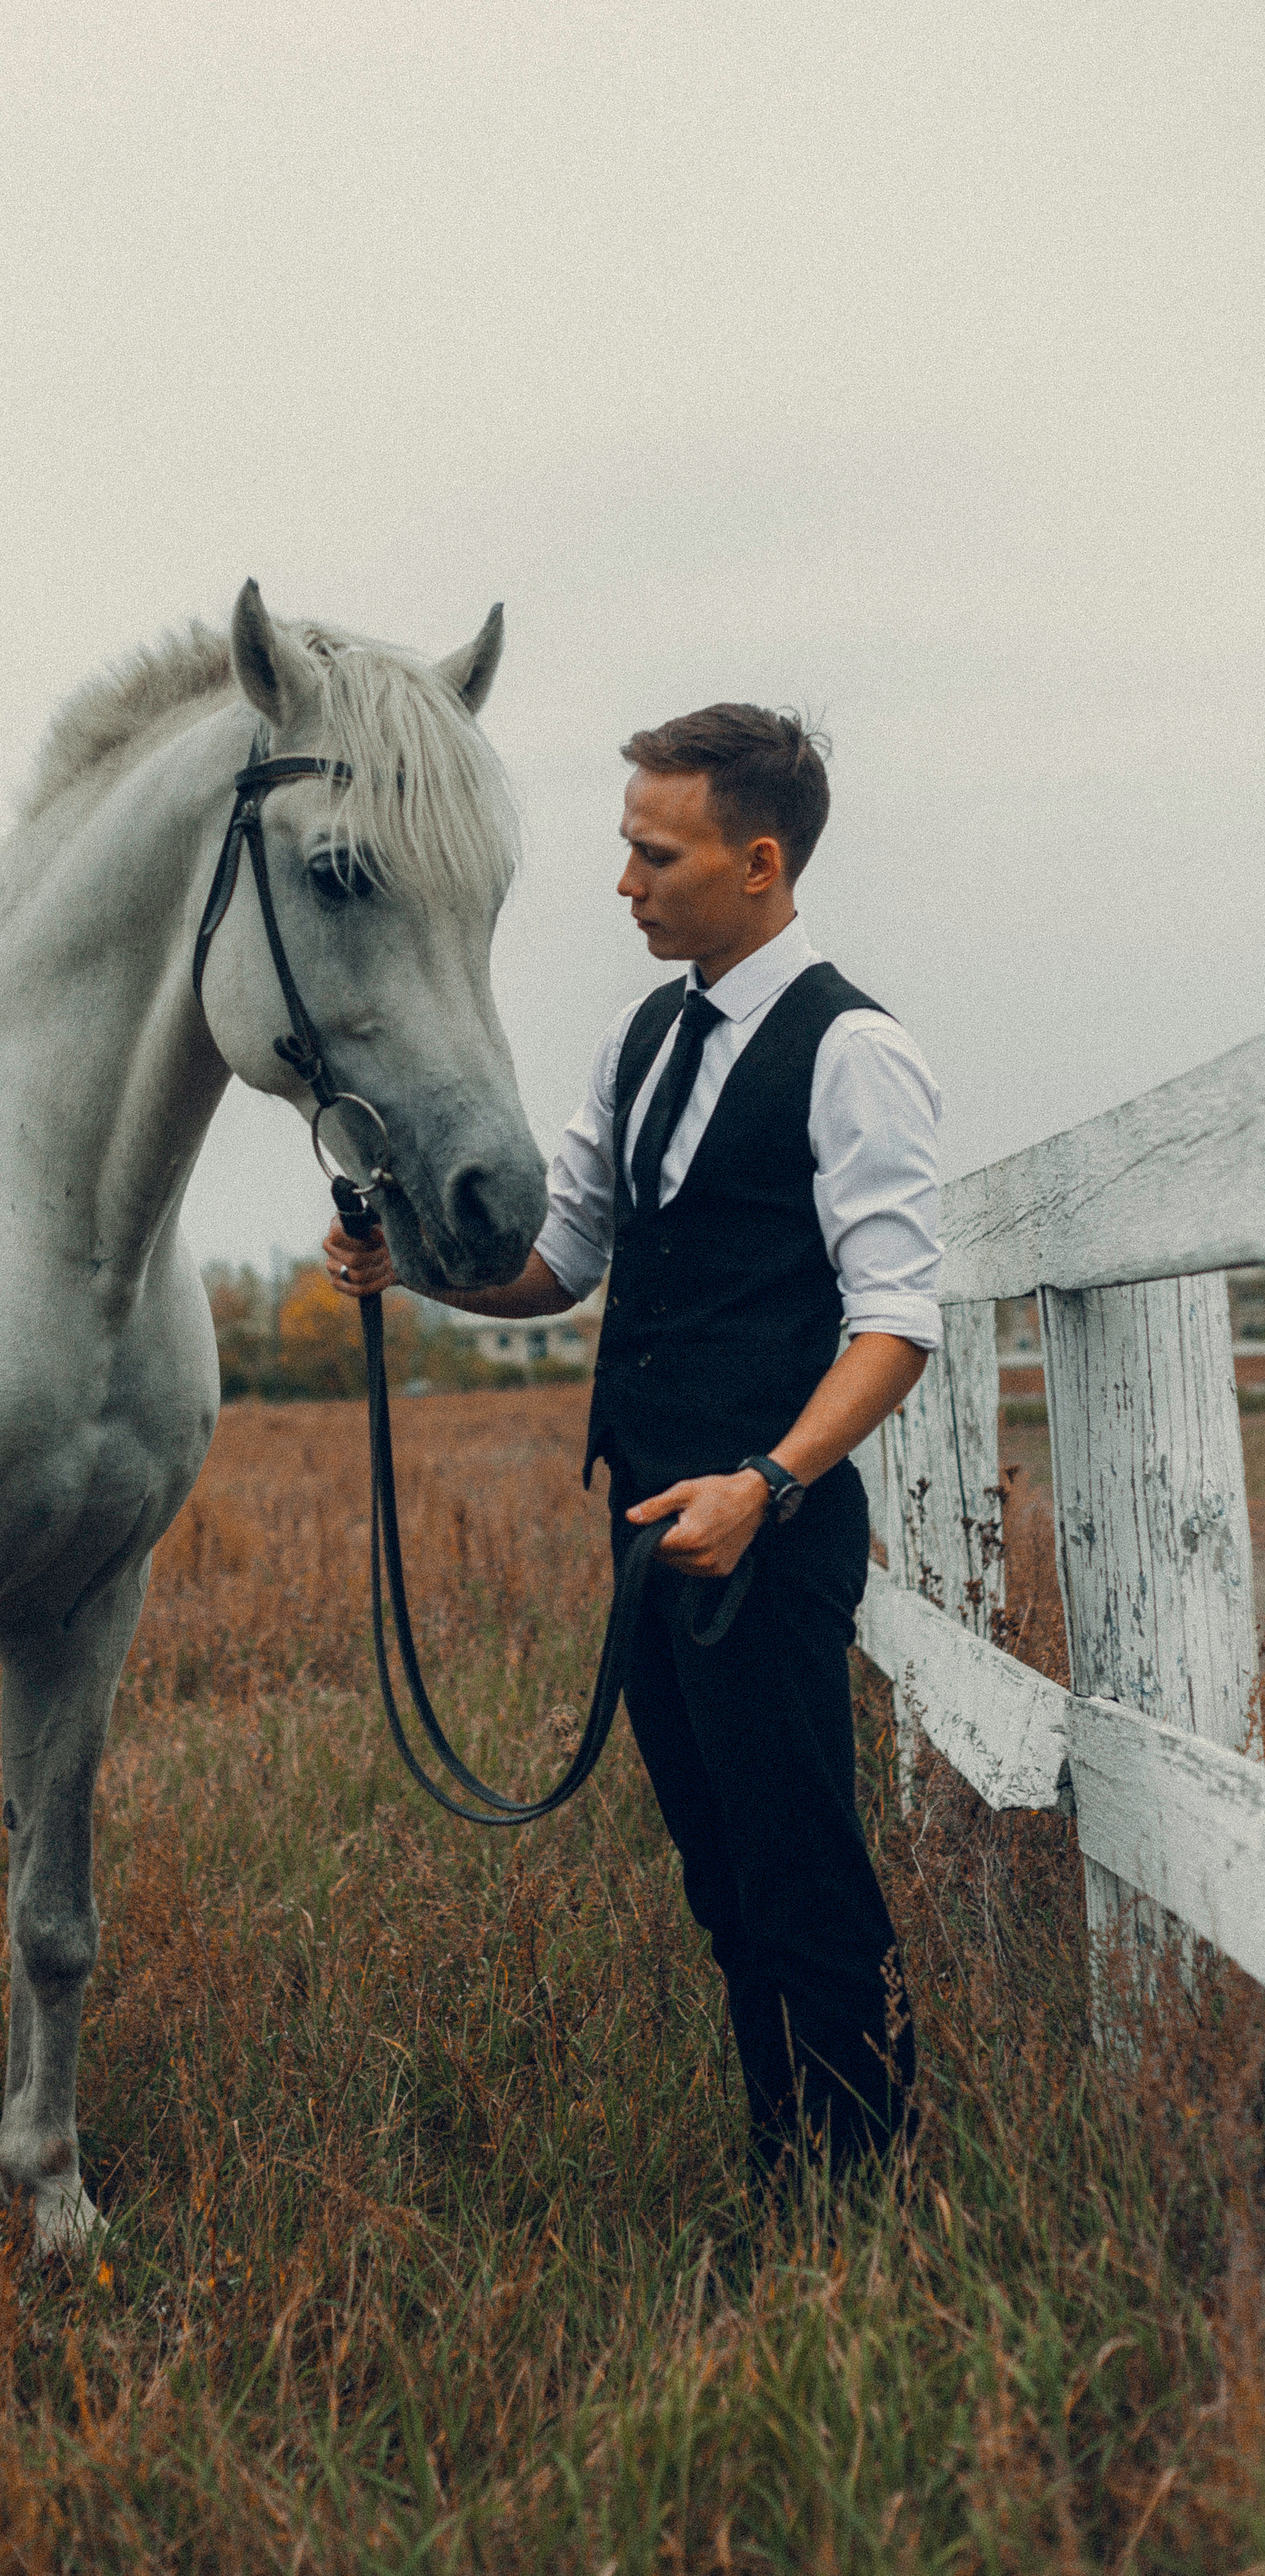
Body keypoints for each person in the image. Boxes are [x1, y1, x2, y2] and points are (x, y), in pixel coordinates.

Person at [324, 703, 941, 2182]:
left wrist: (767, 1484)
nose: (624, 884)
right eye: (622, 849)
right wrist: (413, 1268)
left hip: (763, 1535)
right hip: (651, 1532)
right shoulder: (640, 1038)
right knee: (720, 1876)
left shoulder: (853, 1051)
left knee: (801, 1870)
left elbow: (893, 1325)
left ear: (758, 860)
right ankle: (781, 2160)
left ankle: (867, 2190)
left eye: (651, 854)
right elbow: (564, 1263)